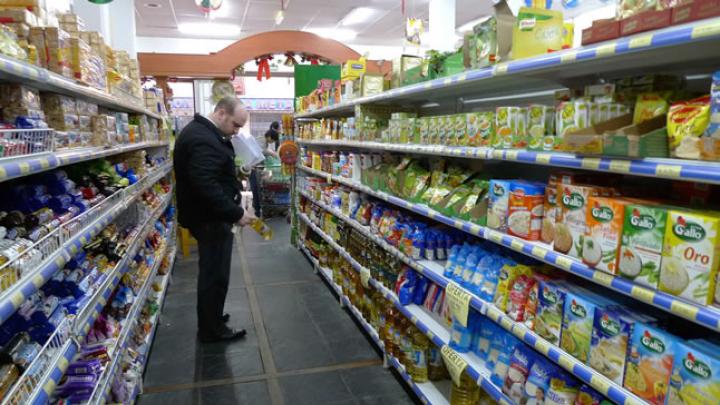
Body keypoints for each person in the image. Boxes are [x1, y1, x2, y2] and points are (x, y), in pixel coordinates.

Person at [174, 97, 255, 343]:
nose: (236, 131)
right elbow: (206, 186)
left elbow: (212, 174)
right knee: (214, 275)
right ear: (221, 113)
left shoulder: (204, 133)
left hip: (208, 216)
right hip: (209, 219)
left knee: (215, 272)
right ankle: (211, 330)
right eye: (235, 125)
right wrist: (236, 213)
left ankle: (213, 316)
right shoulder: (202, 138)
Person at [249, 121, 281, 217]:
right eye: (273, 140)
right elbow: (261, 152)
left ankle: (258, 208)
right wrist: (272, 153)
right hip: (253, 167)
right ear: (270, 137)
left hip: (256, 167)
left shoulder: (264, 141)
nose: (272, 142)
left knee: (258, 188)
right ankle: (257, 210)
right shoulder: (262, 140)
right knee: (256, 189)